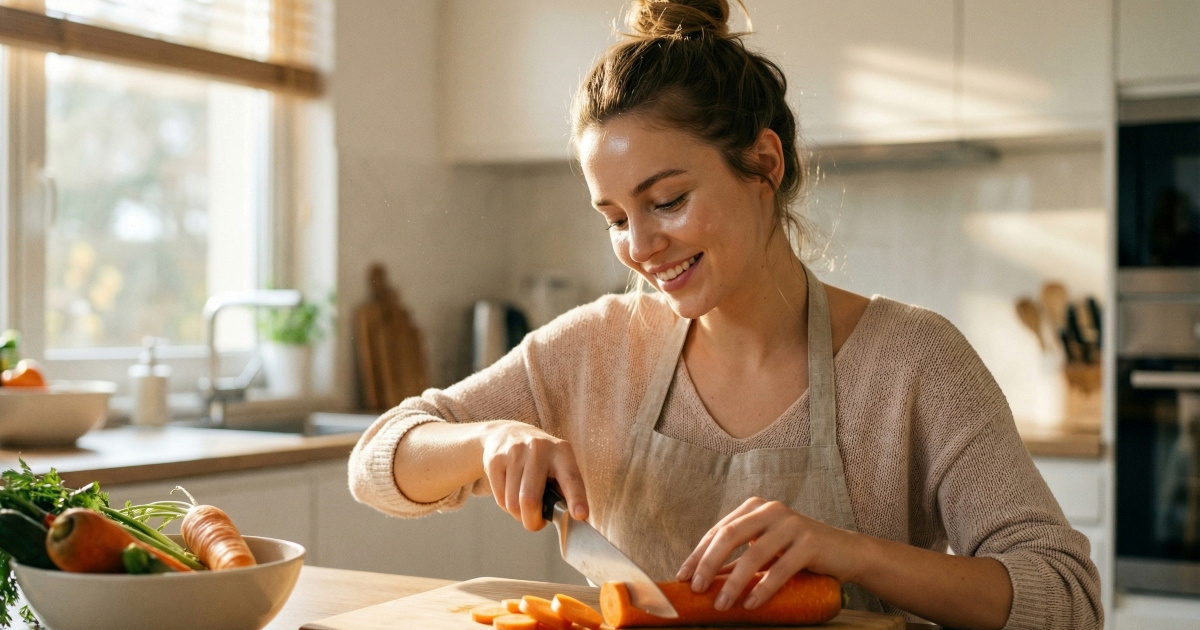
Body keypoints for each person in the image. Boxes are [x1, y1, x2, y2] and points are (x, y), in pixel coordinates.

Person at [349, 1, 1102, 628]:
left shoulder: (914, 361)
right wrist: (487, 438)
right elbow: (376, 463)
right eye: (614, 216)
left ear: (764, 165)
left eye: (667, 200)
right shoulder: (595, 348)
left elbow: (1066, 596)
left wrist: (846, 551)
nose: (640, 247)